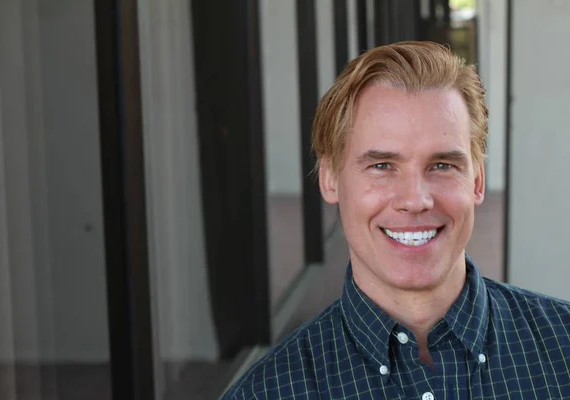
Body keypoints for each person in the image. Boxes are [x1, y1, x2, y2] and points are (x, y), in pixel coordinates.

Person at [221, 41, 570, 399]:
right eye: (382, 166)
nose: (415, 200)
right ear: (330, 178)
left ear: (477, 181)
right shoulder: (268, 392)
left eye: (442, 165)